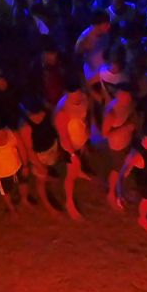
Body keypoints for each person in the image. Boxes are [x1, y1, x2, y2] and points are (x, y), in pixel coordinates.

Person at [54, 81, 93, 221]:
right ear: (66, 94)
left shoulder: (84, 98)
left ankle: (80, 171)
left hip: (80, 140)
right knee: (70, 175)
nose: (77, 99)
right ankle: (69, 202)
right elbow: (63, 137)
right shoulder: (62, 111)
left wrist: (87, 130)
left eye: (78, 96)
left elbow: (86, 114)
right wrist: (72, 154)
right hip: (68, 147)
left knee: (78, 162)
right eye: (73, 97)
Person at [102, 87, 137, 211]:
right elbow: (105, 134)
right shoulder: (111, 113)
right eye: (125, 97)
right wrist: (125, 127)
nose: (128, 99)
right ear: (118, 95)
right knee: (115, 170)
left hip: (127, 142)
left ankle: (120, 189)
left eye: (129, 97)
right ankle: (111, 194)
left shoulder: (128, 105)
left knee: (124, 166)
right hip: (117, 146)